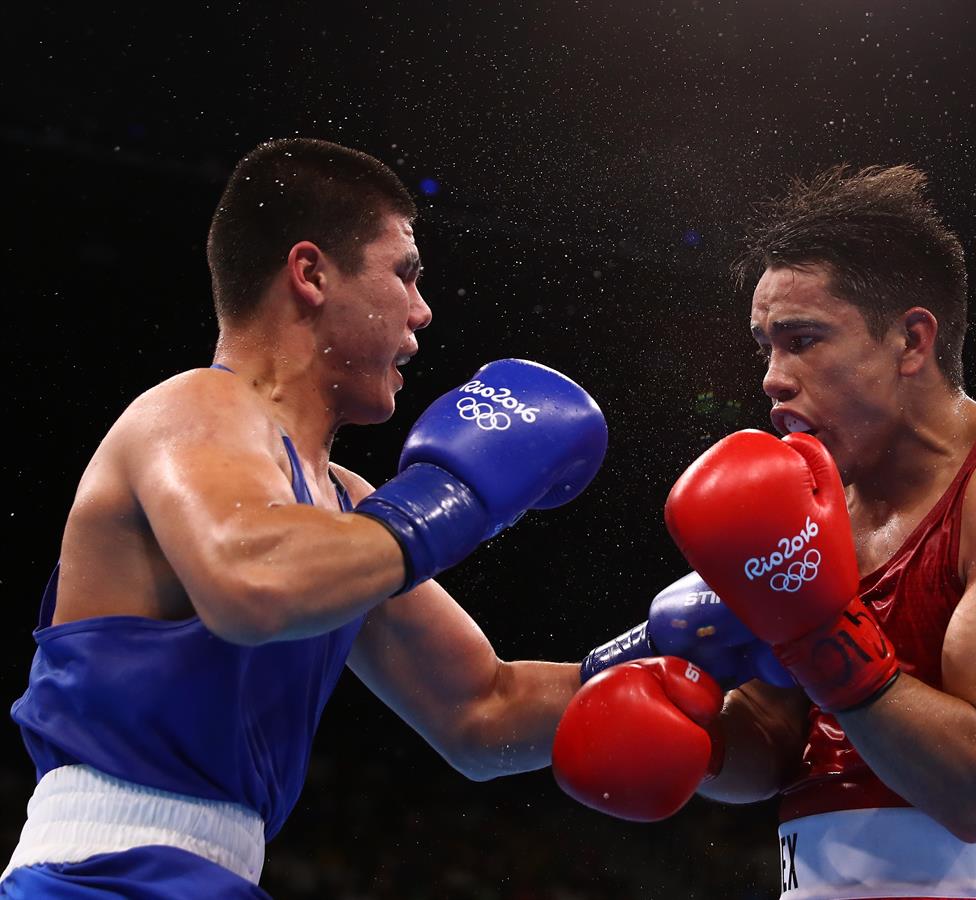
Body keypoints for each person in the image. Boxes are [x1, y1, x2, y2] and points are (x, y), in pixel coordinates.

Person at [0, 137, 620, 898]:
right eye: (405, 273)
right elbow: (254, 583)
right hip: (102, 873)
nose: (422, 311)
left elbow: (482, 709)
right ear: (311, 273)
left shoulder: (346, 510)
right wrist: (454, 500)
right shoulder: (192, 408)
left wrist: (675, 655)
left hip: (214, 876)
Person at [553, 164, 976, 900]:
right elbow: (782, 741)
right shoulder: (809, 507)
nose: (773, 377)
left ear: (911, 341)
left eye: (803, 340)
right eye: (767, 347)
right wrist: (699, 740)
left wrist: (818, 632)